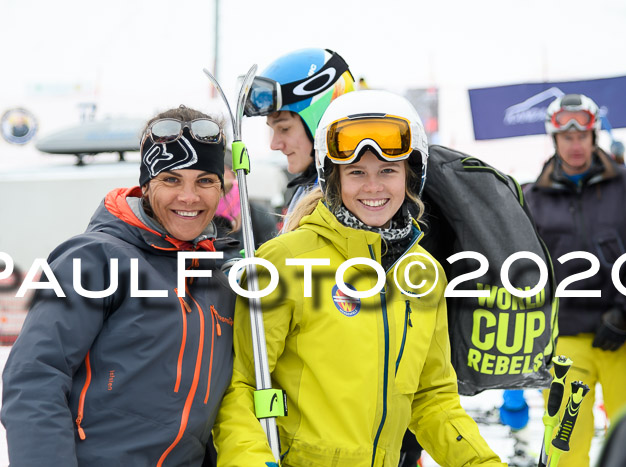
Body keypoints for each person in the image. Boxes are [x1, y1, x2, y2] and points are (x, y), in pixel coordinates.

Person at [214, 90, 505, 466]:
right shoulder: (285, 262)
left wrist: (481, 462)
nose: (373, 187)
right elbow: (241, 386)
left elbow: (432, 397)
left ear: (410, 176)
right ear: (332, 178)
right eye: (356, 172)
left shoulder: (424, 273)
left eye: (388, 170)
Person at [1, 105, 237, 466]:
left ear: (221, 188)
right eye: (171, 180)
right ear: (146, 185)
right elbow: (35, 378)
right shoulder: (97, 258)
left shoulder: (218, 283)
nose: (189, 197)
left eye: (204, 181)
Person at [523, 93, 626, 466]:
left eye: (582, 136)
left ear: (593, 136)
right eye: (566, 137)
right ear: (554, 139)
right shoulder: (532, 198)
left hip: (625, 334)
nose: (575, 144)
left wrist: (624, 311)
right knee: (566, 448)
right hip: (564, 337)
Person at [244, 48, 355, 228]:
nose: (274, 145)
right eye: (273, 130)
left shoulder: (356, 202)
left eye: (284, 128)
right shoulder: (311, 189)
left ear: (322, 124)